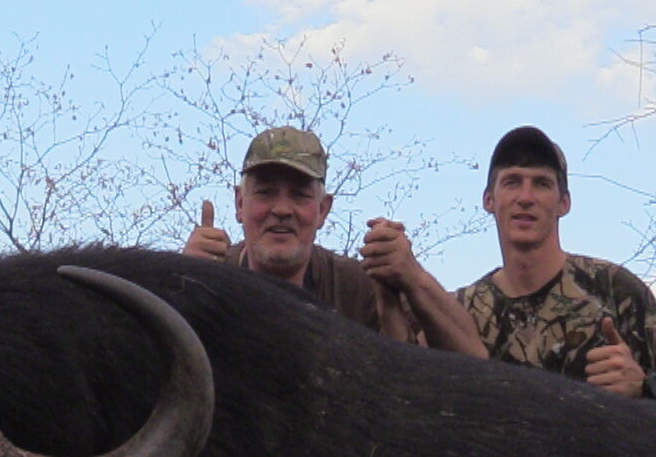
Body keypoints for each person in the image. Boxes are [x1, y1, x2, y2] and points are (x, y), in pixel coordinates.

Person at [455, 126, 656, 416]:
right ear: (489, 200)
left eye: (541, 184)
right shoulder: (460, 312)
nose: (525, 197)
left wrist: (645, 386)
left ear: (564, 203)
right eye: (512, 182)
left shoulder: (615, 289)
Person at [183, 126, 483, 357]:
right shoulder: (210, 281)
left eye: (299, 195)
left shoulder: (354, 286)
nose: (282, 210)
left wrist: (412, 277)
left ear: (323, 210)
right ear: (239, 203)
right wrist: (181, 286)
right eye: (266, 193)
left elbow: (473, 359)